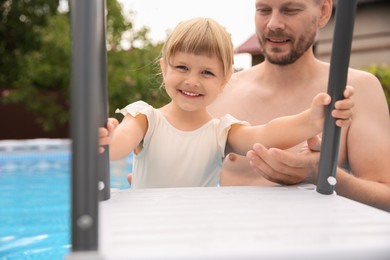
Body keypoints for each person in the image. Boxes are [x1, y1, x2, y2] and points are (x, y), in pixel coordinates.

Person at [99, 17, 353, 189]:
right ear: (165, 68)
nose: (192, 81)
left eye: (206, 73)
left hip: (198, 234)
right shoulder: (145, 119)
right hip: (149, 231)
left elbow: (266, 133)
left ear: (224, 79)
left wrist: (310, 120)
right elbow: (119, 145)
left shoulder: (220, 131)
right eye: (182, 67)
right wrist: (106, 140)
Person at [208, 0, 390, 212]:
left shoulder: (358, 88)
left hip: (322, 241)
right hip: (234, 240)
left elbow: (386, 196)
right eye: (263, 10)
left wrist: (324, 173)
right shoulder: (220, 90)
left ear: (323, 12)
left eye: (290, 10)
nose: (273, 24)